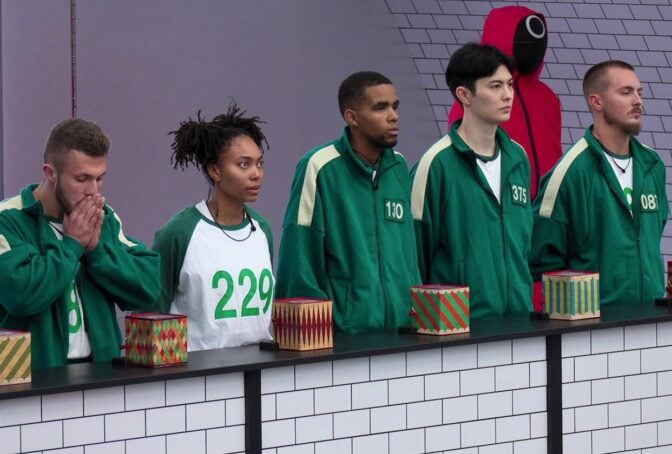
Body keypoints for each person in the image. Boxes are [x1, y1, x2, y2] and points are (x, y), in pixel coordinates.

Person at [0, 118, 161, 369]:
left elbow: (148, 288)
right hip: (31, 376)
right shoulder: (8, 219)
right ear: (50, 173)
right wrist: (72, 245)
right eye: (82, 178)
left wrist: (98, 252)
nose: (93, 191)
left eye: (100, 178)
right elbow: (21, 294)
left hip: (101, 370)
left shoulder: (105, 217)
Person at [275, 71, 421, 333]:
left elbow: (408, 253)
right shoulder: (319, 167)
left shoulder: (399, 167)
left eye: (395, 106)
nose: (393, 116)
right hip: (345, 337)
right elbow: (299, 256)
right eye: (380, 108)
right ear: (352, 117)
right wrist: (313, 333)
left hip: (402, 331)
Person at [530, 60, 668, 306]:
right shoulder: (571, 171)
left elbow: (653, 235)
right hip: (595, 323)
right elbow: (540, 256)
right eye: (626, 92)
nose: (638, 101)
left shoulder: (652, 164)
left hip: (650, 318)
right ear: (596, 102)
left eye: (639, 92)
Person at [411, 43, 533, 319]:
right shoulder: (436, 164)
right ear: (464, 94)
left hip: (519, 320)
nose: (508, 95)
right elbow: (415, 255)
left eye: (510, 84)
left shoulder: (517, 157)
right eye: (495, 86)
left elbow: (523, 243)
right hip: (459, 324)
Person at [153, 103, 274, 350]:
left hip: (259, 367)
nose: (256, 174)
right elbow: (153, 313)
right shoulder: (179, 232)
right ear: (215, 171)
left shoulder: (262, 230)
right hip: (198, 369)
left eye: (260, 163)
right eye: (244, 164)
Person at [448, 5, 562, 201]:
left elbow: (554, 149)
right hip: (497, 203)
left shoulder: (547, 97)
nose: (534, 50)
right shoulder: (475, 97)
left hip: (547, 204)